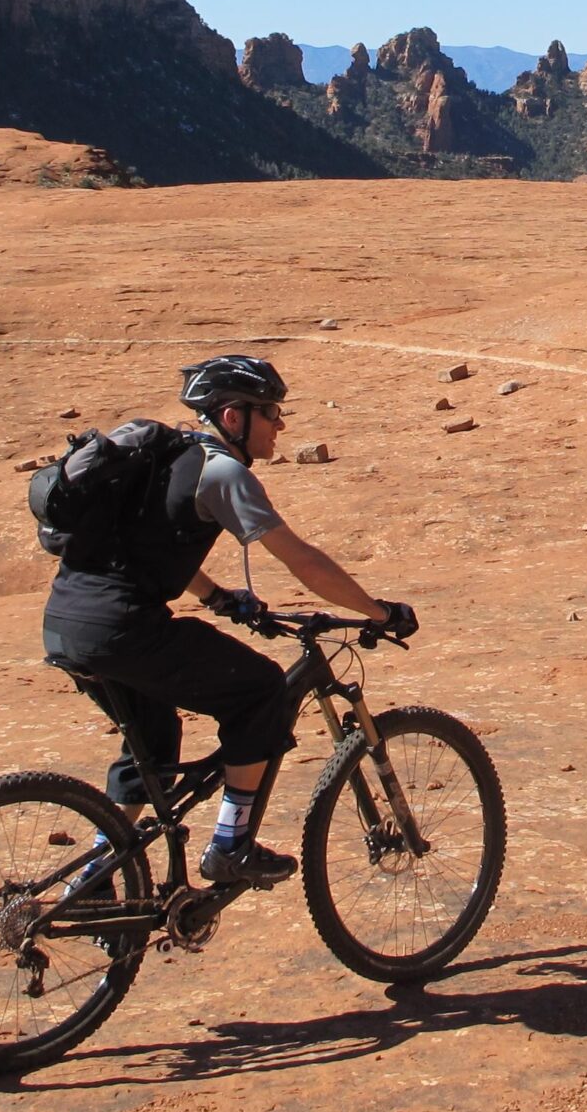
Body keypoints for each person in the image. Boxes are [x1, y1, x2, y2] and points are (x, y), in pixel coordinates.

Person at [39, 354, 415, 886]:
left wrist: (216, 596)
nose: (281, 425)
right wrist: (378, 612)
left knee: (152, 738)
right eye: (271, 412)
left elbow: (151, 546)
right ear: (233, 417)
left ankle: (96, 877)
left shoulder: (165, 457)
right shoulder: (223, 471)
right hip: (123, 628)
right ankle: (230, 846)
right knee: (260, 690)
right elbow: (302, 561)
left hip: (66, 621)